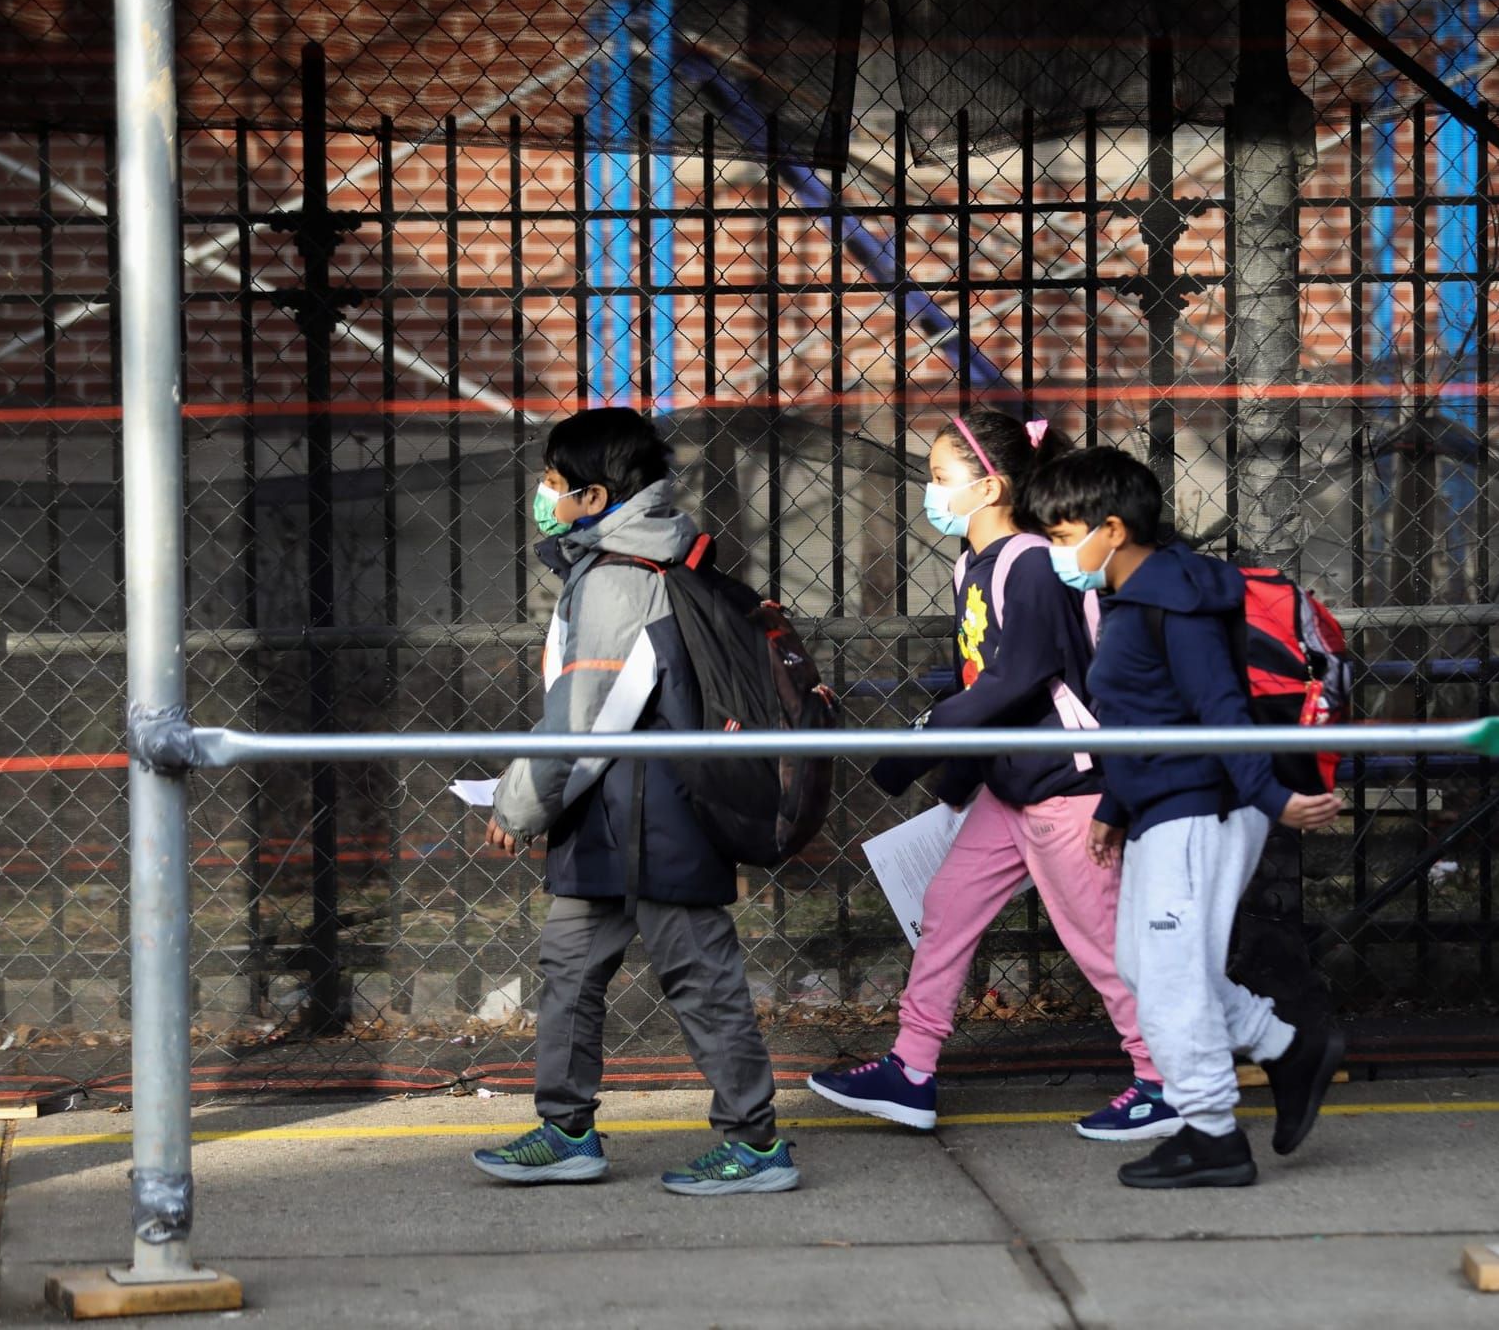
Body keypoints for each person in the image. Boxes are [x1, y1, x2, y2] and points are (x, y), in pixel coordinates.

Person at [808, 409, 1180, 1142]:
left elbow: (1022, 674)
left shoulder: (1031, 561)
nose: (930, 490)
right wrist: (957, 778)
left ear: (991, 487)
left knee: (1100, 943)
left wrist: (930, 735)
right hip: (1012, 787)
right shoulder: (969, 564)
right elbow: (980, 678)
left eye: (941, 478)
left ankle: (1163, 1079)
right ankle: (911, 1070)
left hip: (1064, 789)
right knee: (946, 906)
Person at [470, 406, 801, 1193]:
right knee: (569, 965)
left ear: (592, 496)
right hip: (614, 812)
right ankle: (566, 1128)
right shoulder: (625, 560)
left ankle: (756, 1145)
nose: (543, 492)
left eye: (554, 480)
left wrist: (520, 803)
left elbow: (586, 715)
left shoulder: (619, 578)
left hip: (656, 813)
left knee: (698, 971)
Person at [1025, 445, 1349, 1189]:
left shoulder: (1175, 598)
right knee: (1149, 968)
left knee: (1171, 979)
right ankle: (1289, 1047)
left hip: (1203, 809)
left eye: (1061, 531)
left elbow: (1218, 713)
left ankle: (1212, 1136)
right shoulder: (1135, 596)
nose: (1055, 549)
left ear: (1111, 528)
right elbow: (1148, 717)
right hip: (1163, 807)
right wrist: (1114, 804)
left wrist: (1274, 799)